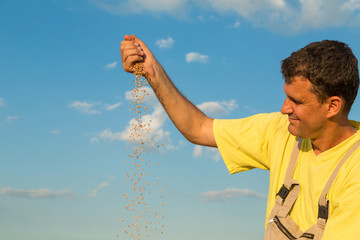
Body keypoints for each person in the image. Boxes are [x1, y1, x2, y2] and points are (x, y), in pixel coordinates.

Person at [120, 35, 360, 240]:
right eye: (286, 96)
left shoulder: (354, 169)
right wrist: (153, 73)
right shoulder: (280, 131)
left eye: (297, 101)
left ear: (332, 106)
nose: (284, 108)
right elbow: (199, 128)